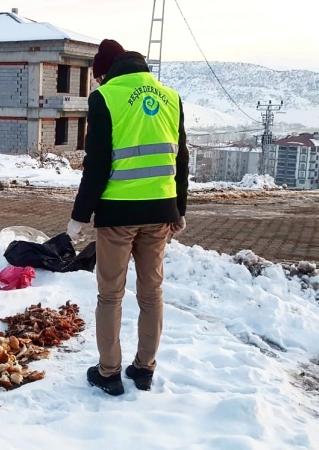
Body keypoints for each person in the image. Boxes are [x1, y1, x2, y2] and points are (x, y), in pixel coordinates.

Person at [68, 39, 190, 395]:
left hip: (118, 214)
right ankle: (144, 369)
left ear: (103, 72)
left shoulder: (105, 98)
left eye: (98, 77)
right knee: (152, 294)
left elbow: (97, 165)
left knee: (111, 296)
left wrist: (79, 215)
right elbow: (181, 159)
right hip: (161, 211)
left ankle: (109, 372)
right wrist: (179, 208)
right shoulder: (170, 97)